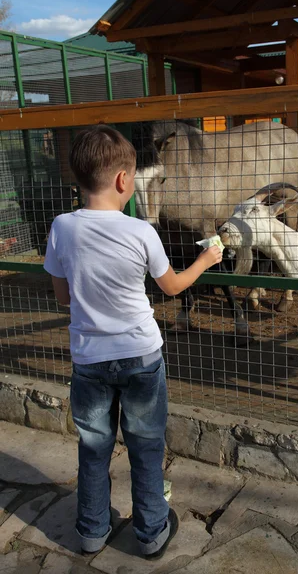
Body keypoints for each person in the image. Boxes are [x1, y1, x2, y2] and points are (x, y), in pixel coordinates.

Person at [44, 125, 222, 560]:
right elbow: (173, 286)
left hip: (89, 359)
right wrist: (206, 258)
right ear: (125, 181)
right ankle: (151, 533)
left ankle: (90, 532)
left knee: (92, 447)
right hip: (140, 355)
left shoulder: (62, 227)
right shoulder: (141, 232)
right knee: (145, 445)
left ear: (79, 178)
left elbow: (64, 297)